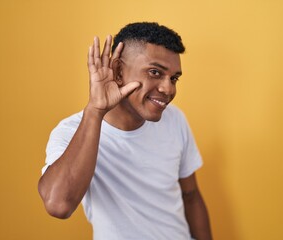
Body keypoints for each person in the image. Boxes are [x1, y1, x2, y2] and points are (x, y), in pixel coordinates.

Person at [38, 22, 213, 240]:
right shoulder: (71, 132)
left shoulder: (174, 119)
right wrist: (95, 111)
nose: (169, 89)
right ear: (119, 71)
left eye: (174, 78)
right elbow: (58, 205)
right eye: (155, 72)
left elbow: (190, 194)